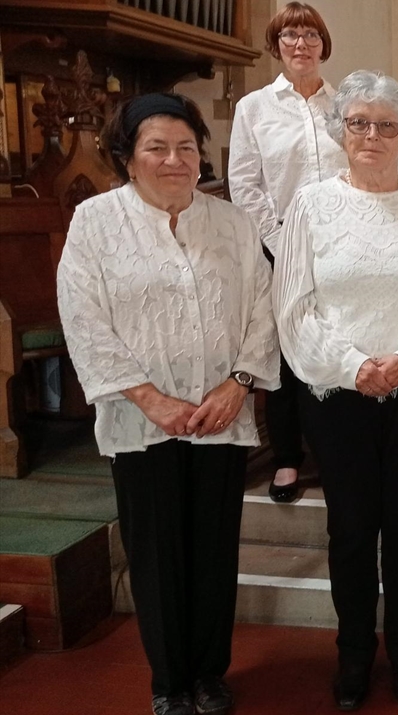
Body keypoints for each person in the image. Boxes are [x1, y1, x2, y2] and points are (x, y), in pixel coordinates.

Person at [58, 92, 279, 715]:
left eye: (186, 147)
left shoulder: (233, 223)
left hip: (220, 414)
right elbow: (84, 317)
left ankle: (210, 674)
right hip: (141, 420)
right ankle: (169, 682)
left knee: (213, 548)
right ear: (128, 157)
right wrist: (150, 398)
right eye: (157, 147)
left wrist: (238, 383)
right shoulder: (95, 223)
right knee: (155, 553)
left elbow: (263, 307)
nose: (175, 159)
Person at [273, 70, 398, 711]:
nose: (373, 135)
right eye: (359, 122)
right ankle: (354, 653)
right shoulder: (309, 205)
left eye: (387, 124)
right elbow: (293, 307)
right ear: (340, 130)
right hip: (337, 393)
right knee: (352, 528)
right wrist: (355, 364)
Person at [228, 1, 346, 502]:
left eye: (310, 35)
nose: (301, 44)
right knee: (285, 355)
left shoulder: (345, 106)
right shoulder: (253, 108)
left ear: (323, 44)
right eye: (290, 35)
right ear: (276, 45)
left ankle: (337, 451)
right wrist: (283, 243)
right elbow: (244, 184)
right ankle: (287, 459)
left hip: (342, 247)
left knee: (337, 345)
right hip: (278, 250)